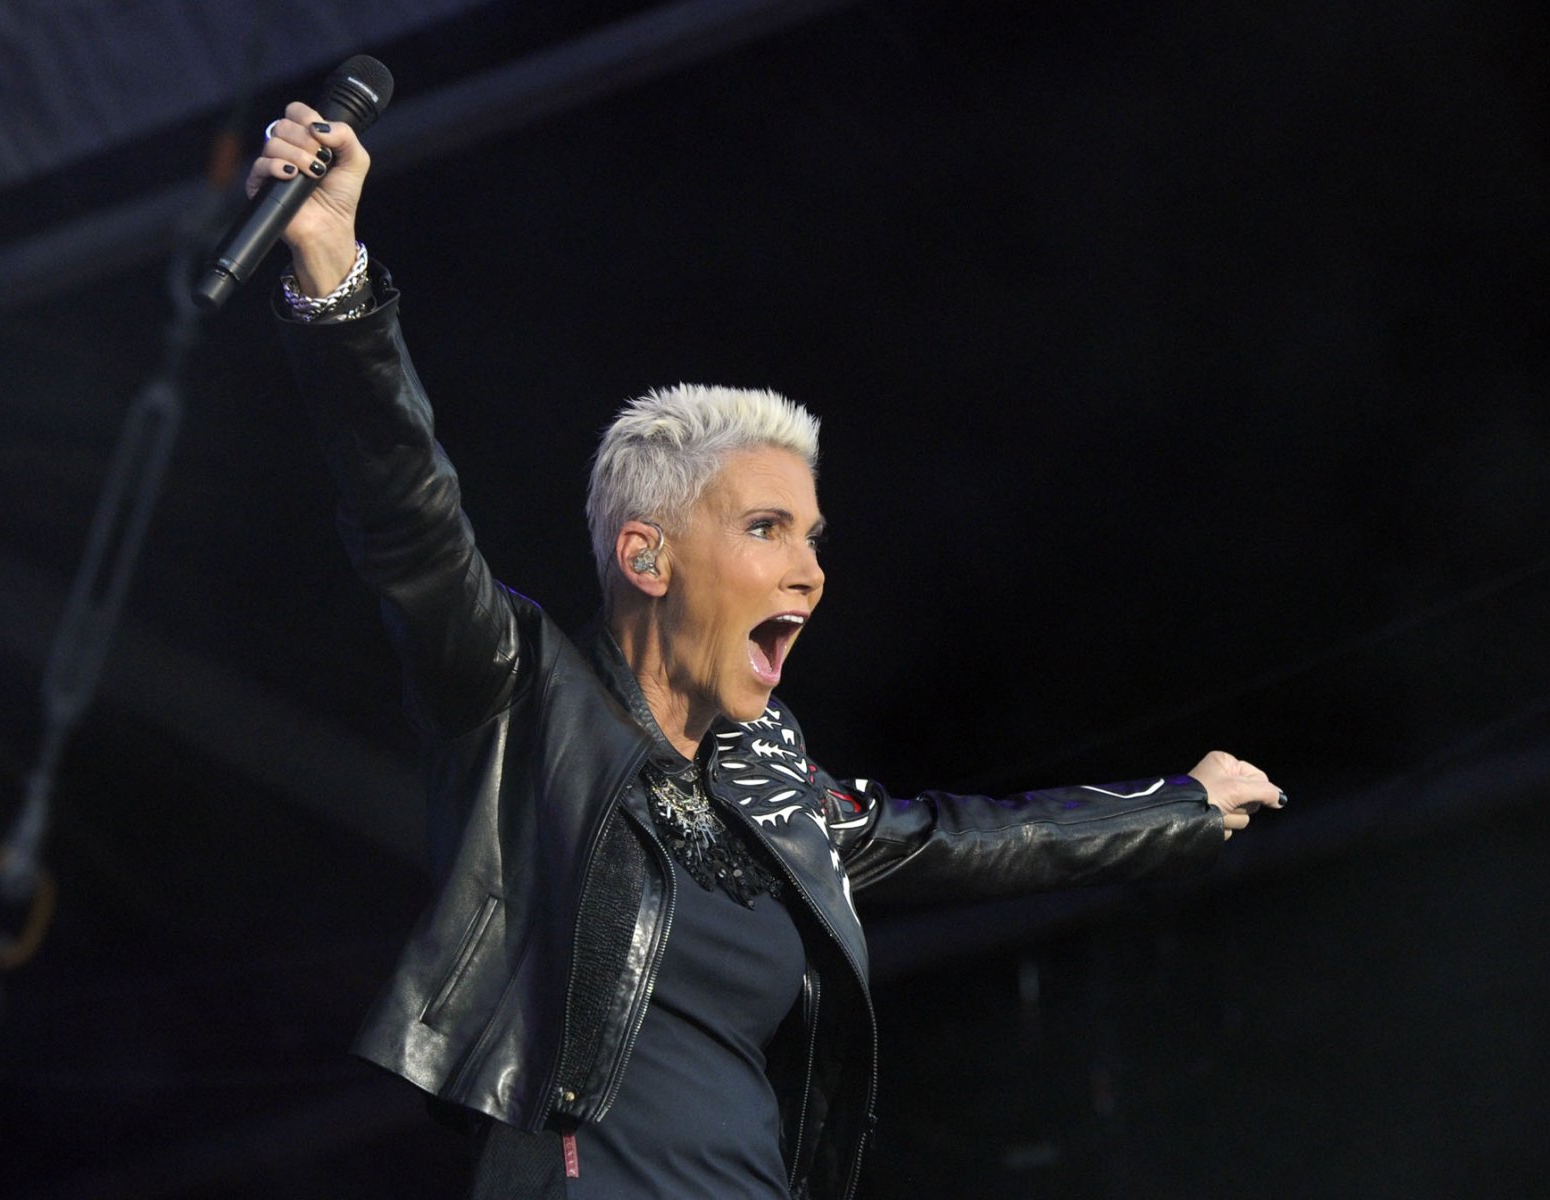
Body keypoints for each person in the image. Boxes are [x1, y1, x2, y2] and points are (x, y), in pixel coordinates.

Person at [251, 101, 1284, 1200]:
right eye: (765, 529)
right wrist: (332, 269)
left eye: (812, 537)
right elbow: (408, 514)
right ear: (647, 559)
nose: (810, 570)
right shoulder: (522, 694)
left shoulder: (773, 791)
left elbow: (959, 839)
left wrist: (1174, 806)